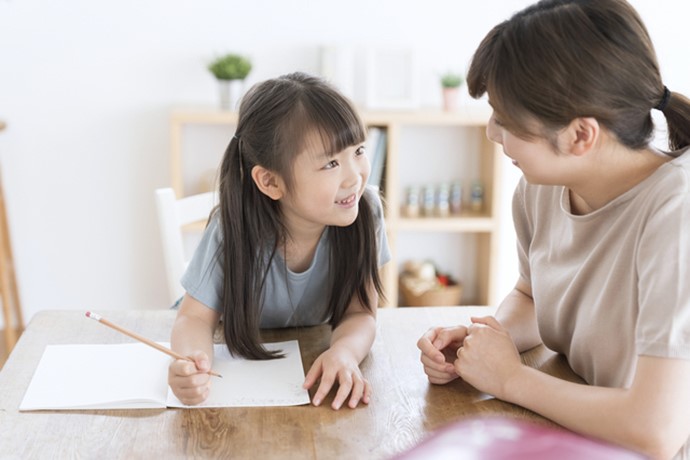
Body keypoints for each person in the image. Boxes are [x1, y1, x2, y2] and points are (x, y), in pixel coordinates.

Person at [417, 1, 690, 458]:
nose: (490, 133)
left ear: (581, 135)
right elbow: (532, 296)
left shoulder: (676, 213)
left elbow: (656, 432)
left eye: (505, 120)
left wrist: (510, 378)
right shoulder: (540, 188)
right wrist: (487, 342)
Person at [169, 72, 390, 410]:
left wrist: (343, 352)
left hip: (303, 374)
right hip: (239, 373)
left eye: (358, 151)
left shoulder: (366, 214)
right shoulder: (232, 229)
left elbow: (361, 313)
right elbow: (194, 319)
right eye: (331, 162)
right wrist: (191, 362)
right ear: (271, 182)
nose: (355, 176)